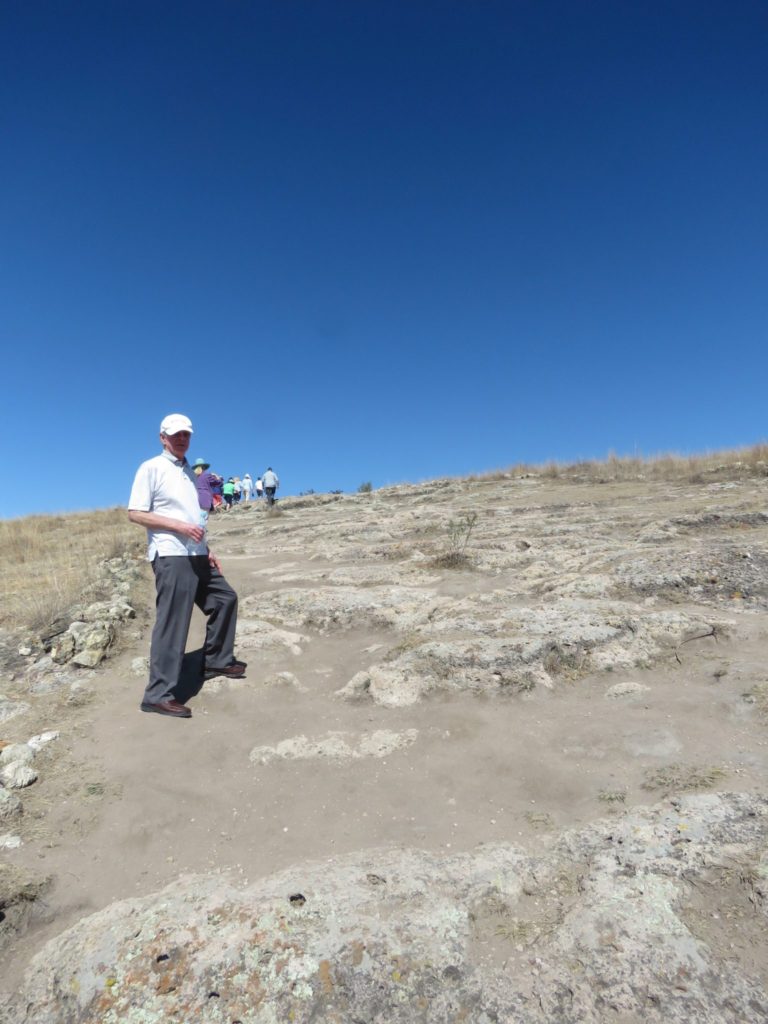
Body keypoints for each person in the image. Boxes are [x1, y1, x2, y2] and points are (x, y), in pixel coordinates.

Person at [128, 414, 246, 718]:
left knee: (225, 599)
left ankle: (216, 660)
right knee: (174, 622)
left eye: (186, 434)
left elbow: (194, 518)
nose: (182, 439)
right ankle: (157, 695)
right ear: (162, 437)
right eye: (175, 434)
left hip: (196, 554)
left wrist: (207, 549)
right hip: (170, 554)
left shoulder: (189, 474)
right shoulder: (151, 467)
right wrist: (178, 527)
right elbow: (136, 513)